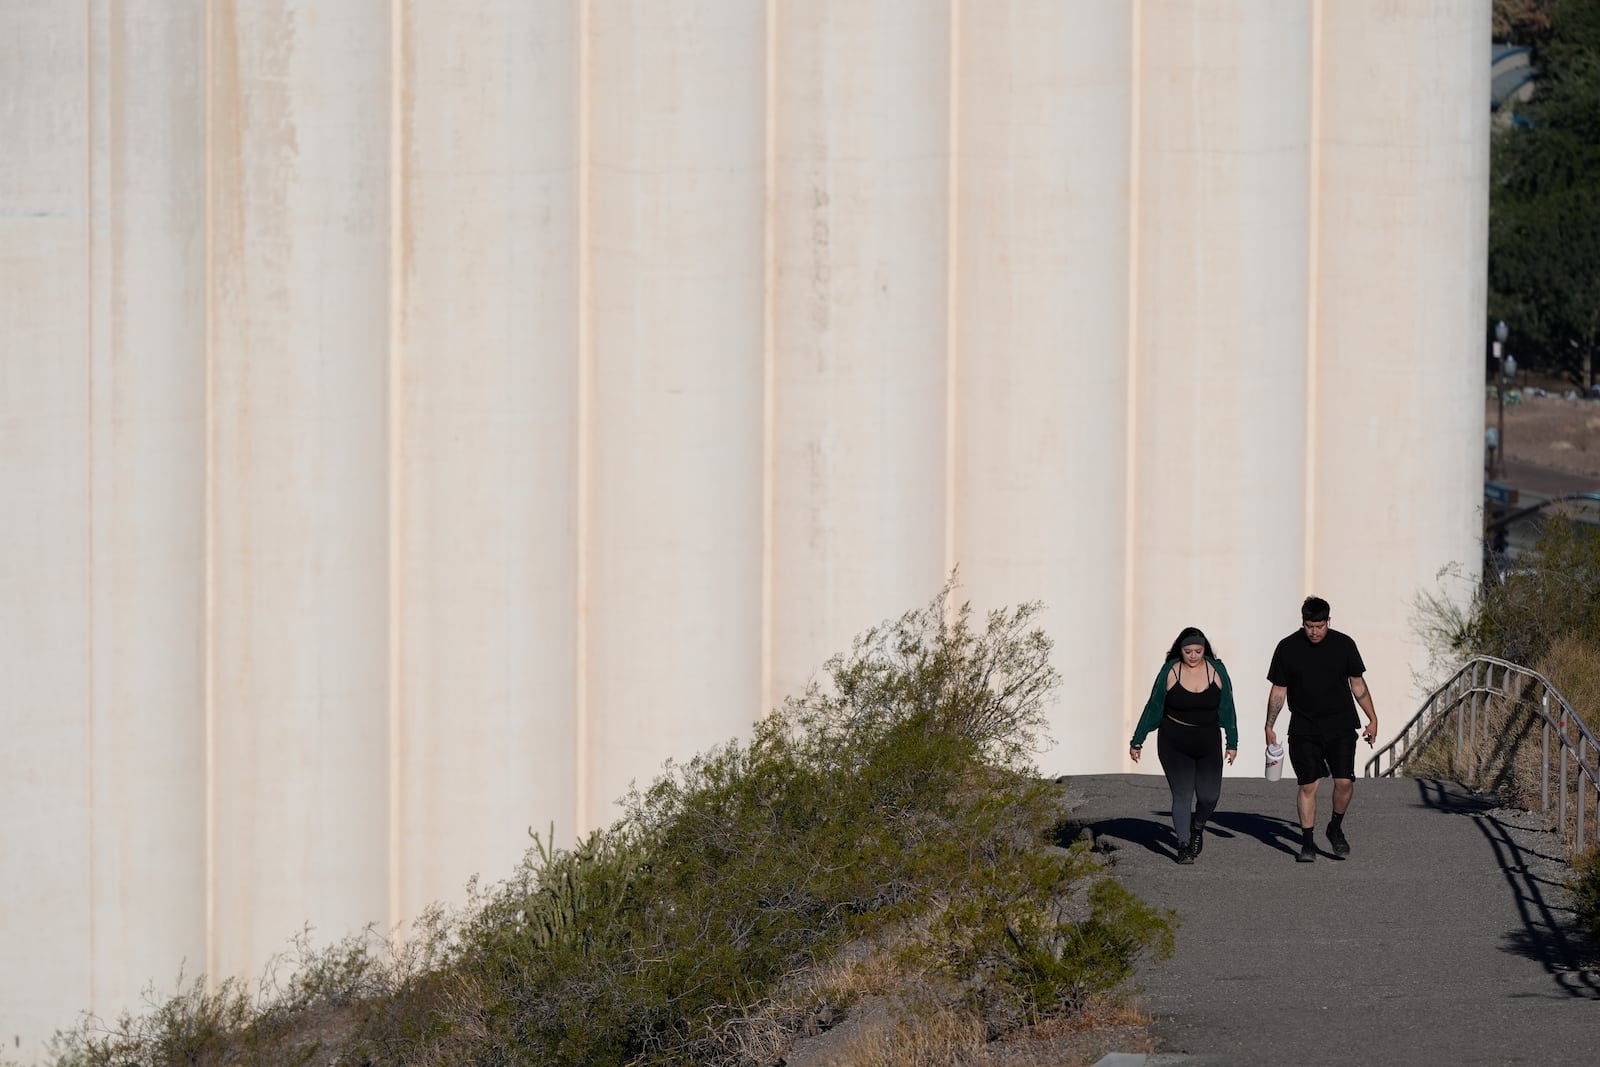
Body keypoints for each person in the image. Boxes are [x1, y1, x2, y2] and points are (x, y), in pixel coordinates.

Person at [1264, 596, 1379, 863]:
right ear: (1302, 623)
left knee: (1344, 782)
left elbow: (1358, 685)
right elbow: (1279, 690)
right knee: (1308, 785)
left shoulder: (1344, 644)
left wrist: (1372, 718)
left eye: (1319, 626)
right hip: (1304, 727)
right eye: (1309, 626)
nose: (1314, 631)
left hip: (1340, 724)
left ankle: (1335, 827)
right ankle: (1307, 843)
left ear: (1329, 621)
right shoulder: (1287, 648)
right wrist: (1269, 725)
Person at [1129, 627, 1238, 864]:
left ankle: (1197, 827)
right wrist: (1137, 740)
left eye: (1198, 651)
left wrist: (1233, 741)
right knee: (1182, 794)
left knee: (1210, 796)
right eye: (1188, 651)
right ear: (1180, 650)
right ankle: (1183, 844)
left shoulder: (1216, 670)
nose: (1193, 656)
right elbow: (1153, 706)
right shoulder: (1170, 671)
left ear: (1204, 650)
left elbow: (1228, 706)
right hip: (1174, 741)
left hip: (1208, 741)